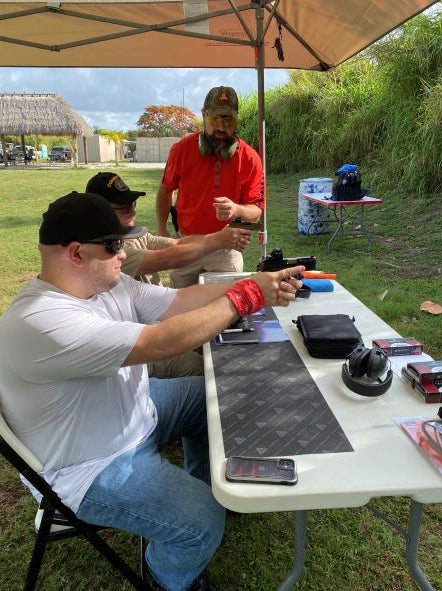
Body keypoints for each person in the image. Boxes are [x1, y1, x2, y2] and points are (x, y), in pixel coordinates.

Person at [0, 192, 303, 591]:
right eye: (113, 246)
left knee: (209, 396)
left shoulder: (106, 282)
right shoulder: (41, 320)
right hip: (89, 465)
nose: (124, 253)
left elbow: (177, 301)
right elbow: (161, 342)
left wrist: (252, 282)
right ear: (75, 253)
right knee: (202, 522)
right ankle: (165, 578)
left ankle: (204, 482)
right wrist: (246, 297)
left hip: (132, 416)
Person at [85, 171, 253, 379]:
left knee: (211, 343)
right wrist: (220, 240)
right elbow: (166, 259)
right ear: (98, 212)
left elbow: (178, 244)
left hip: (154, 328)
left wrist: (223, 237)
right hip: (142, 350)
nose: (130, 211)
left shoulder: (131, 236)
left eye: (132, 205)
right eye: (122, 208)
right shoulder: (107, 251)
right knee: (209, 371)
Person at [156, 86, 264, 288]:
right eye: (215, 120)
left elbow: (256, 212)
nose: (222, 127)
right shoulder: (181, 150)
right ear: (204, 114)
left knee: (223, 309)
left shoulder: (250, 158)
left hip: (226, 250)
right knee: (181, 306)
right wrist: (162, 229)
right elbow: (165, 189)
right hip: (186, 243)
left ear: (236, 119)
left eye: (228, 120)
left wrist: (237, 209)